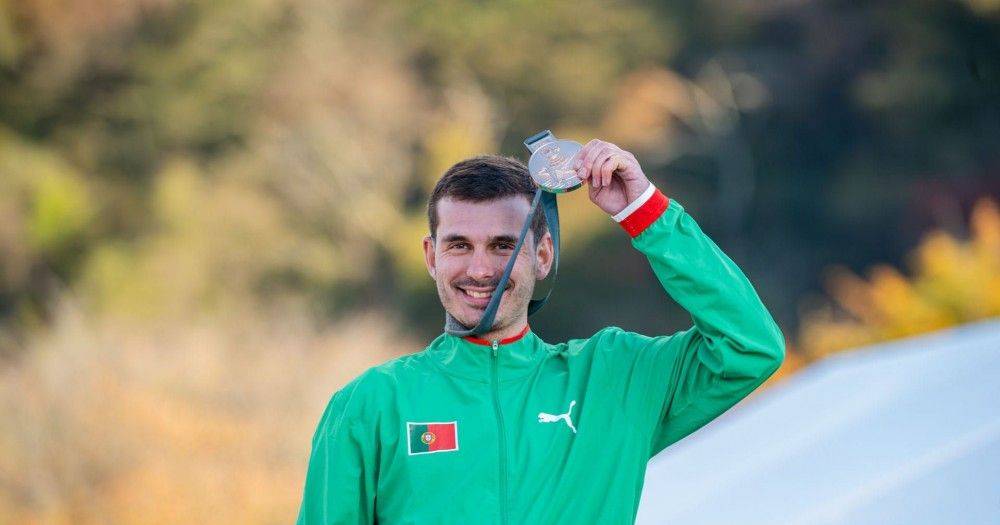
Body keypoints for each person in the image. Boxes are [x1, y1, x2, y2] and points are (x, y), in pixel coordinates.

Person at [295, 139, 785, 524]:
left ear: (543, 255)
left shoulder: (614, 379)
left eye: (504, 245)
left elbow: (750, 346)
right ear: (431, 256)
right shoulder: (371, 403)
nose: (481, 269)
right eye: (460, 245)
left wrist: (644, 211)